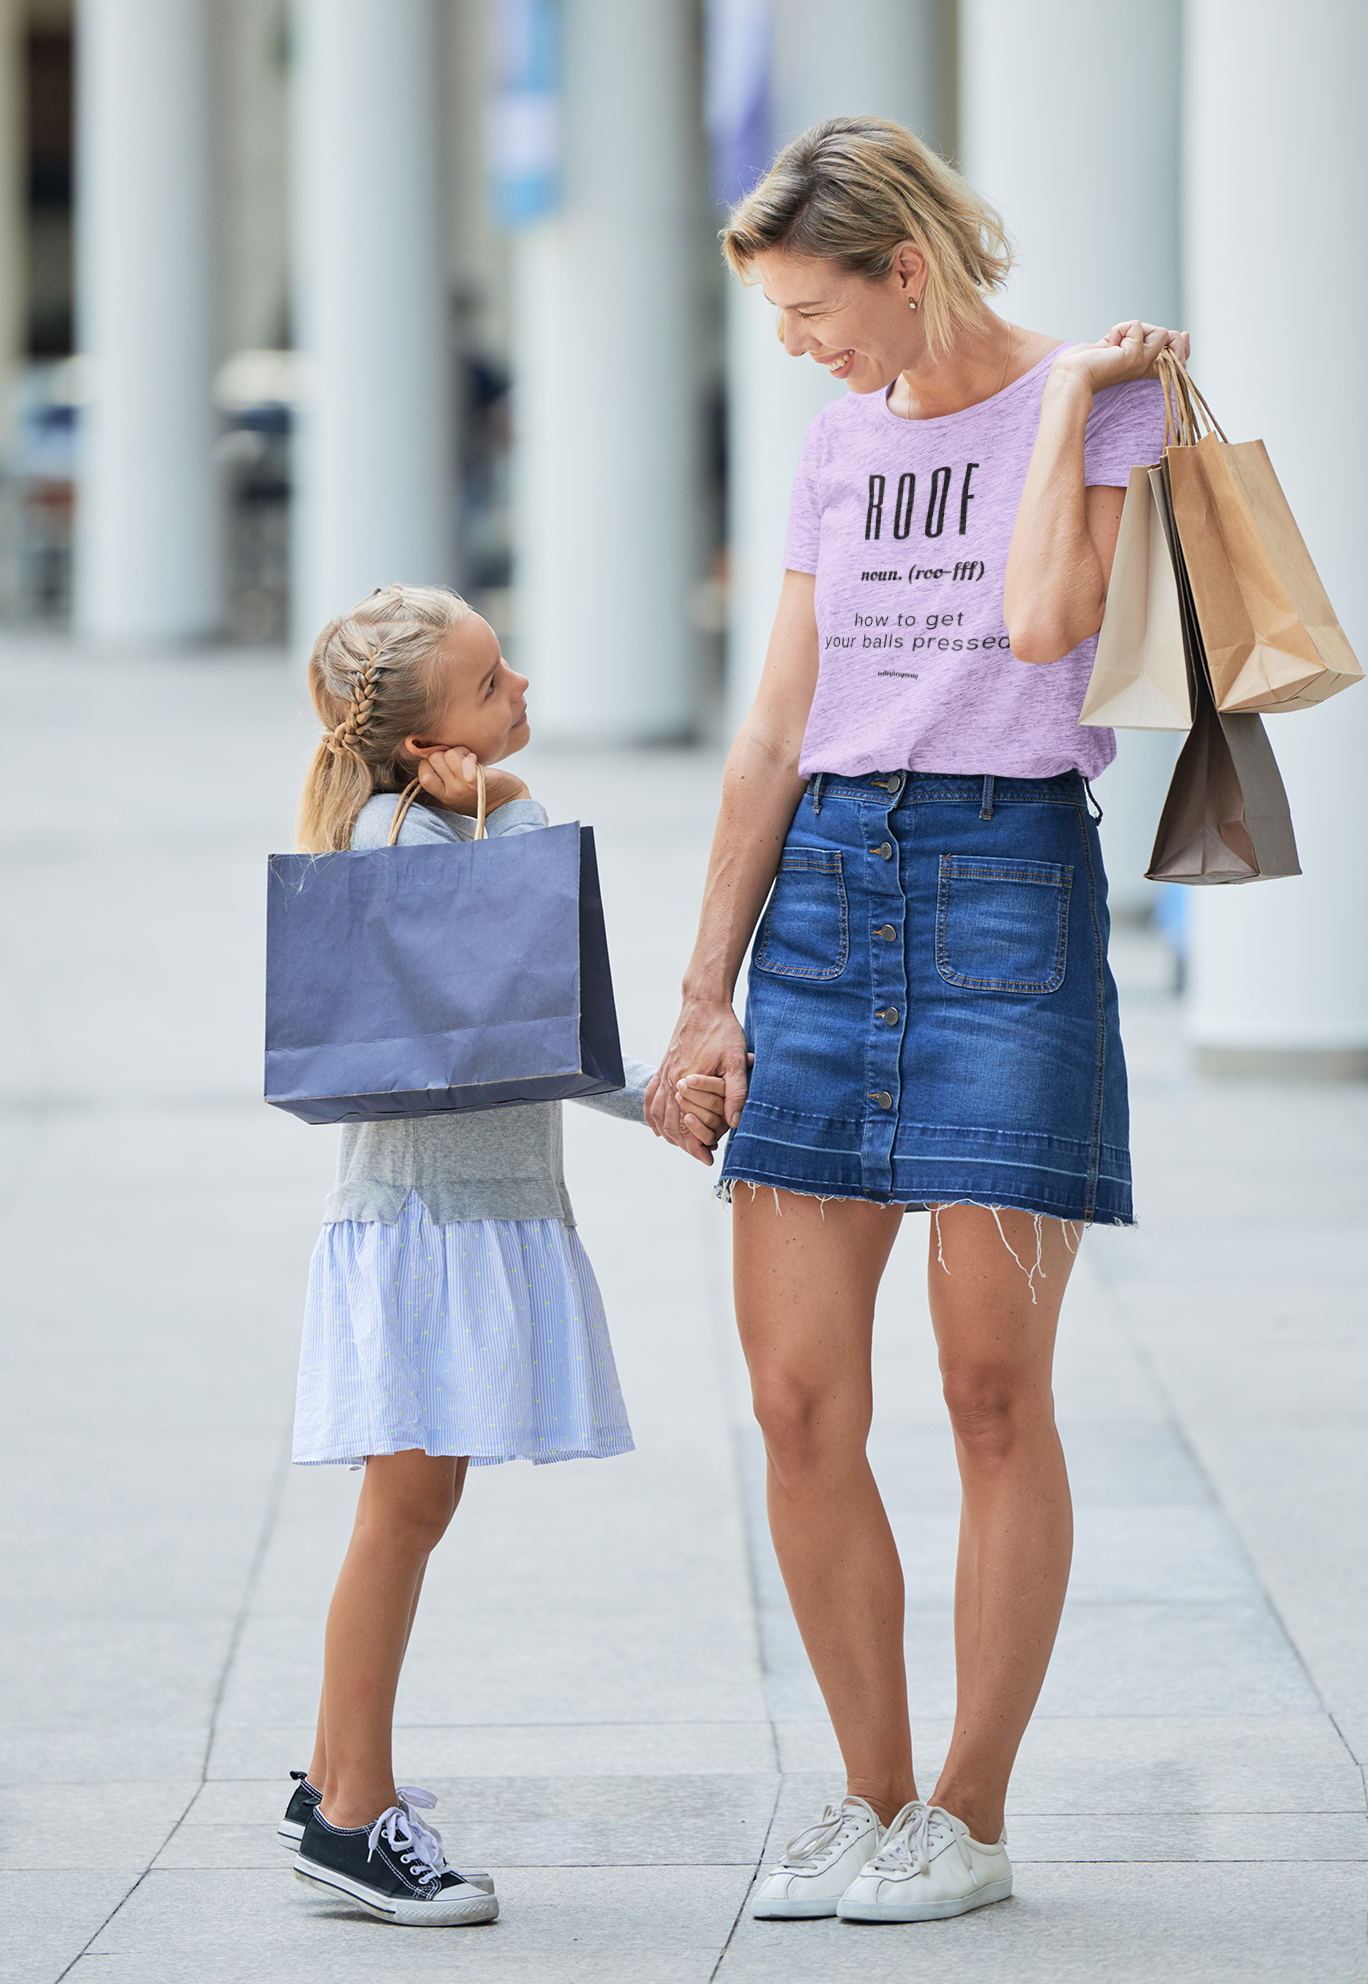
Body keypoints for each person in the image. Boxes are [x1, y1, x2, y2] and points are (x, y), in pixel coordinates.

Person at [647, 117, 1184, 1926]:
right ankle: (867, 1797)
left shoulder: (1096, 400)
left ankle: (967, 1809)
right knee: (798, 1397)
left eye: (816, 308)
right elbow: (773, 732)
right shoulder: (830, 445)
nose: (801, 344)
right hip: (823, 908)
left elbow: (1046, 625)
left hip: (1003, 889)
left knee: (987, 1392)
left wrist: (1074, 401)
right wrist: (706, 992)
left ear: (909, 266)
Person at [279, 584, 725, 1926]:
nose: (518, 688)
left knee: (403, 1513)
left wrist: (655, 1096)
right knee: (403, 1517)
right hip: (436, 1224)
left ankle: (336, 1777)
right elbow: (526, 1002)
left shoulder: (400, 822)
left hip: (439, 1217)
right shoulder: (428, 833)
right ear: (427, 747)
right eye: (490, 686)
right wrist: (506, 800)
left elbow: (525, 1028)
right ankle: (352, 1819)